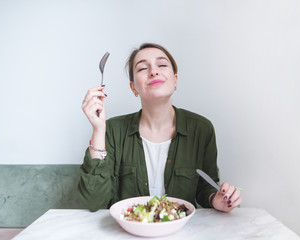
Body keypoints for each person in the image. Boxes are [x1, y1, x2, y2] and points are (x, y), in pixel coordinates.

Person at [78, 43, 242, 213]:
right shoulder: (112, 130)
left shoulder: (201, 129)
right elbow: (94, 200)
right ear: (133, 87)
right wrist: (98, 129)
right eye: (142, 68)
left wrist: (216, 199)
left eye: (162, 65)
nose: (154, 71)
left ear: (175, 80)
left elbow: (205, 188)